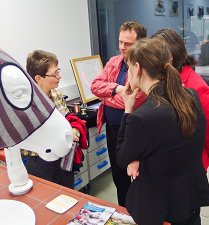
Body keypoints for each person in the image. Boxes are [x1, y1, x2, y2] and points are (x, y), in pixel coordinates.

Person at [116, 38, 209, 225]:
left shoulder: (143, 117)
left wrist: (128, 109)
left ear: (137, 68)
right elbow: (171, 145)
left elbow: (121, 157)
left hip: (162, 210)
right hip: (189, 202)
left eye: (128, 69)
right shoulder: (191, 95)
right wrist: (141, 157)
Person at [151, 28, 209, 171]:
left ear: (169, 56)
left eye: (154, 54)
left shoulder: (196, 87)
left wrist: (200, 163)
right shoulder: (160, 80)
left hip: (187, 169)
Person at [91, 21, 147, 206]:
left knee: (140, 178)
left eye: (128, 43)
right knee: (119, 178)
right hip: (114, 130)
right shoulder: (114, 61)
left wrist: (105, 97)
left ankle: (139, 213)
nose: (122, 47)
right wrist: (118, 89)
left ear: (139, 44)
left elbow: (132, 100)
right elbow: (94, 86)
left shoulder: (144, 67)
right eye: (120, 41)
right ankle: (124, 212)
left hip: (136, 132)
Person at [23, 50, 87, 189]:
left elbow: (67, 119)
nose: (60, 76)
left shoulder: (57, 95)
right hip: (40, 162)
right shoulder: (27, 103)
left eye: (58, 71)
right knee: (47, 199)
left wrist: (74, 131)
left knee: (67, 195)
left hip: (63, 157)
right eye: (54, 74)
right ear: (38, 78)